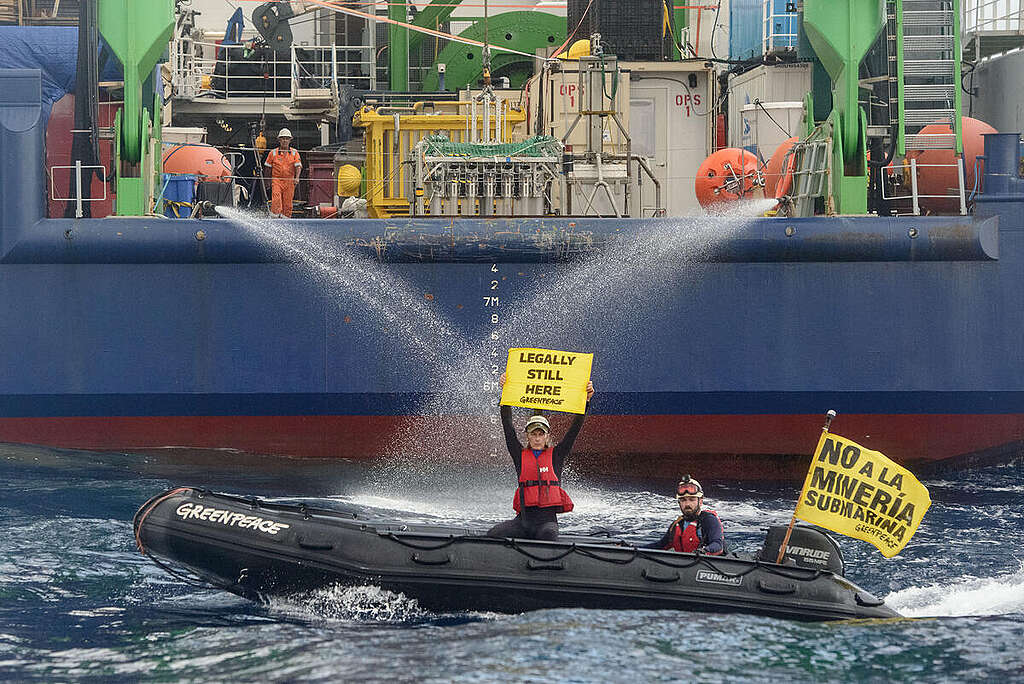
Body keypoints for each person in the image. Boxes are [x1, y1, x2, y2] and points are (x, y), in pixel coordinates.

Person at [487, 373, 595, 542]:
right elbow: (507, 426)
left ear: (546, 436)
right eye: (533, 434)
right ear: (528, 436)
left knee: (548, 536)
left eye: (540, 434)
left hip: (546, 524)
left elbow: (574, 430)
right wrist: (505, 392)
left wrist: (586, 401)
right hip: (522, 523)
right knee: (493, 533)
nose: (537, 438)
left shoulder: (557, 455)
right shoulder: (519, 454)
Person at [644, 475, 725, 554]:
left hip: (708, 563)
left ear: (700, 501)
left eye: (692, 499)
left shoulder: (709, 520)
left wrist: (704, 551)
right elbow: (660, 545)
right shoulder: (676, 525)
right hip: (684, 564)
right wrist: (635, 549)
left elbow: (717, 544)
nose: (687, 504)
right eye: (683, 500)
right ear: (679, 502)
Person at [264, 128, 302, 217]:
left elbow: (298, 166)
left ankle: (286, 220)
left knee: (288, 203)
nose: (285, 140)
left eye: (287, 138)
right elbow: (267, 168)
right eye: (283, 138)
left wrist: (297, 177)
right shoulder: (273, 153)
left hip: (289, 181)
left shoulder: (294, 152)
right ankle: (275, 219)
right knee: (276, 200)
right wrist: (267, 181)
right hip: (276, 180)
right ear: (279, 140)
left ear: (290, 140)